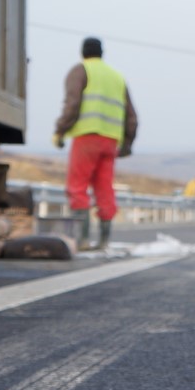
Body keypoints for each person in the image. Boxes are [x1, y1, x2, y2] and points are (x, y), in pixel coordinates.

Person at [53, 37, 138, 250]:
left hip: (86, 136)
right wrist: (126, 144)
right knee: (104, 188)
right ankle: (104, 240)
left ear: (83, 52)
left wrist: (60, 131)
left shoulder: (80, 71)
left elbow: (72, 104)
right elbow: (132, 116)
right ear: (102, 53)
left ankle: (81, 239)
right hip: (110, 142)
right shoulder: (117, 77)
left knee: (78, 186)